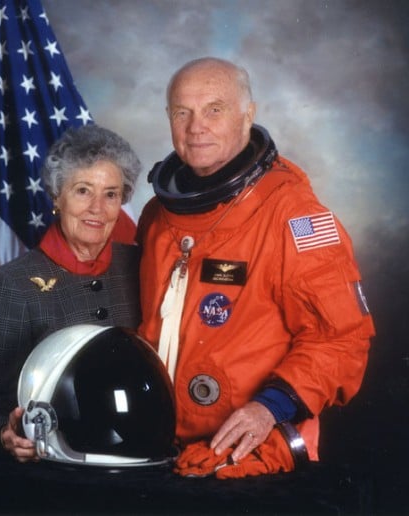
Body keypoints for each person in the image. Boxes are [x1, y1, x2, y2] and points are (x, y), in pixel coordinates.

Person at [136, 57, 375, 478]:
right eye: (182, 112)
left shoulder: (296, 215)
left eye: (215, 109)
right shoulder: (157, 216)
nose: (196, 127)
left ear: (248, 115)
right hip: (157, 443)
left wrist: (270, 409)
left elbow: (341, 339)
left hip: (256, 444)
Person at [0, 124, 142, 462]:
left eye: (111, 194)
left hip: (140, 450)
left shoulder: (139, 264)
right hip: (57, 461)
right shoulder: (12, 283)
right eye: (83, 191)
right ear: (56, 196)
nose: (97, 207)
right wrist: (6, 436)